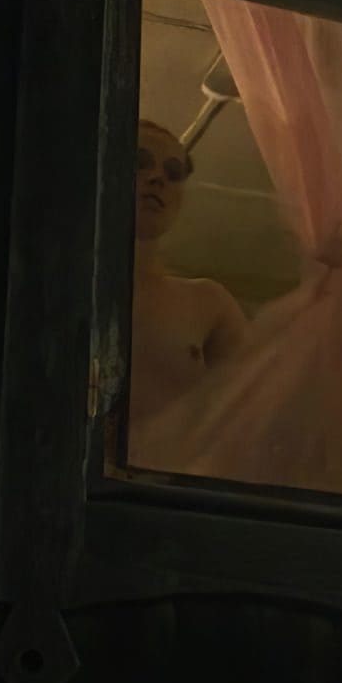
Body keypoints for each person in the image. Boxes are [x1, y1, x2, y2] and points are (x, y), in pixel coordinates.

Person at [128, 120, 247, 452]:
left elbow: (247, 423)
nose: (158, 178)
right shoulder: (53, 286)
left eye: (174, 172)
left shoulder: (209, 303)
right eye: (140, 162)